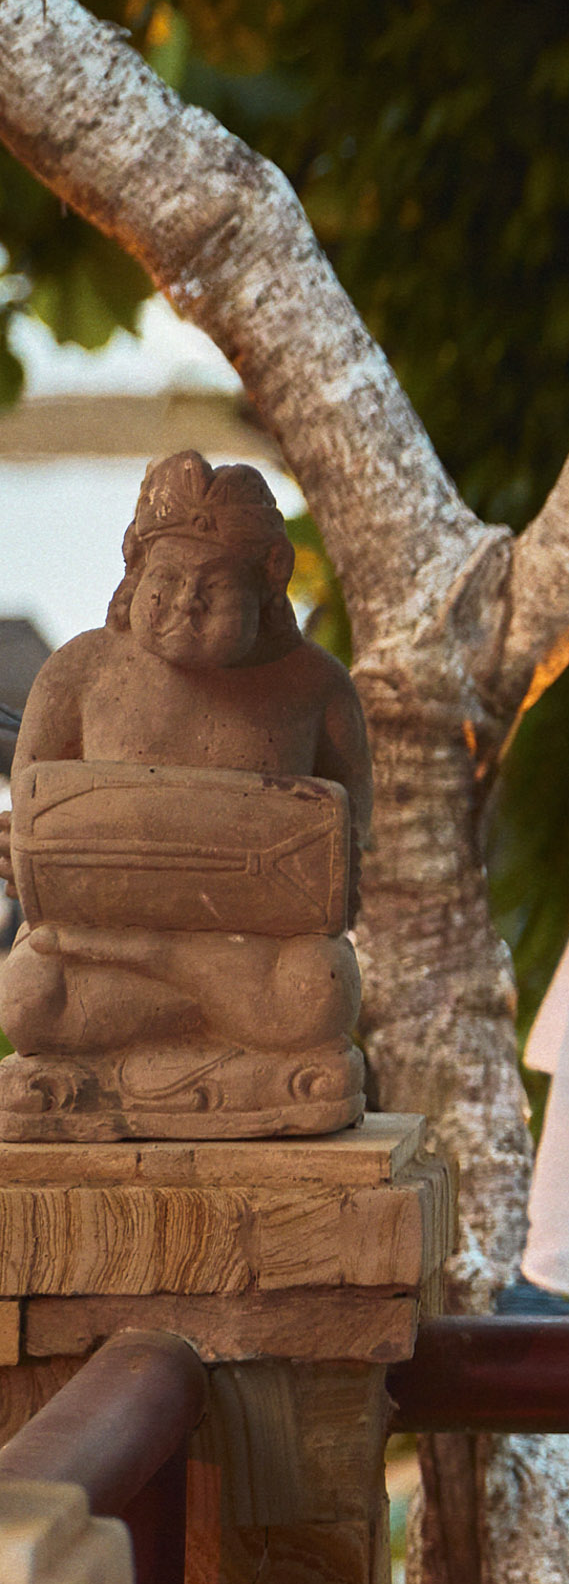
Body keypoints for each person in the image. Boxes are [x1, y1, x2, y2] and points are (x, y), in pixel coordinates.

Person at [0, 452, 372, 1137]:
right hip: (105, 956)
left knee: (318, 988)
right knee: (30, 996)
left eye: (214, 586)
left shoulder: (316, 688)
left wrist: (336, 869)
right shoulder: (79, 673)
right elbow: (32, 813)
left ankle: (168, 996)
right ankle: (221, 1048)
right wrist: (17, 848)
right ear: (136, 571)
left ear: (266, 581)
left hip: (247, 961)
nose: (185, 604)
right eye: (166, 580)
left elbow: (348, 860)